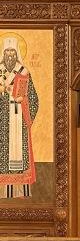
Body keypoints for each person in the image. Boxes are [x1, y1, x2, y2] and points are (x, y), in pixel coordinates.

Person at [0, 35, 39, 198]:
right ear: (3, 53)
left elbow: (34, 98)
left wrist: (24, 100)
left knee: (19, 154)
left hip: (18, 119)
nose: (10, 55)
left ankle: (19, 192)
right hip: (2, 120)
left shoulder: (24, 71)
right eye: (7, 51)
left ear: (17, 53)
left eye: (12, 51)